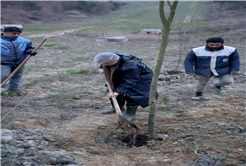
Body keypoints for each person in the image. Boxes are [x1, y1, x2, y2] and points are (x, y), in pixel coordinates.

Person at [94, 51, 157, 120]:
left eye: (106, 64)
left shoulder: (132, 65)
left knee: (133, 93)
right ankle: (118, 107)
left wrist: (118, 92)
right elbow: (105, 61)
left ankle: (130, 114)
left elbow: (129, 81)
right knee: (115, 87)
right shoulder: (109, 55)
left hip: (139, 78)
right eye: (102, 63)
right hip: (124, 74)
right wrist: (102, 67)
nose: (104, 64)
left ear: (115, 61)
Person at [0, 26, 37, 96]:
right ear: (5, 33)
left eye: (18, 34)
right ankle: (1, 89)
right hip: (3, 63)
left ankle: (13, 88)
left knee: (17, 75)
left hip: (20, 62)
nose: (16, 35)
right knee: (3, 76)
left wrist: (31, 51)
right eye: (14, 33)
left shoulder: (25, 41)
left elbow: (29, 48)